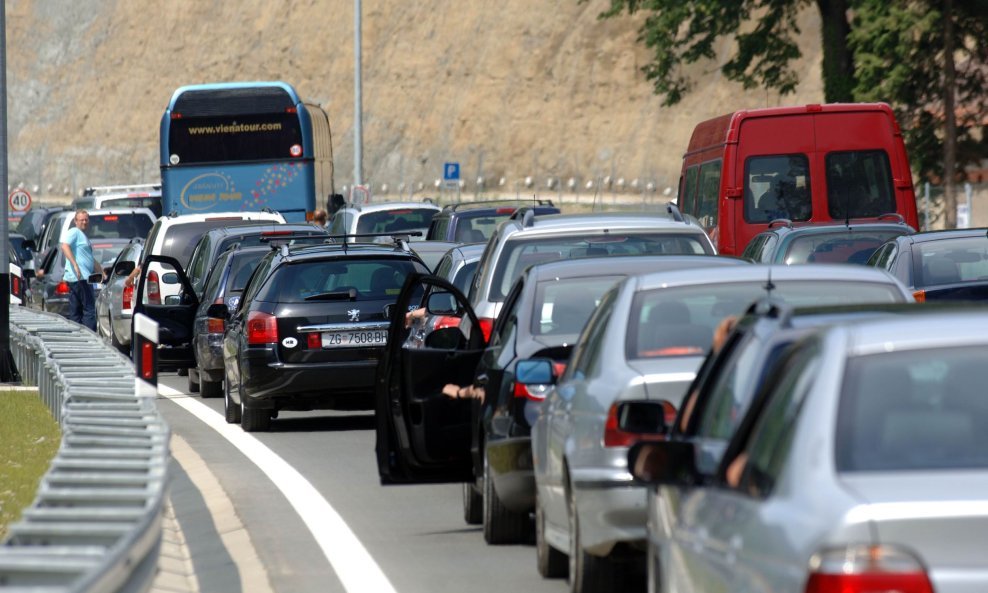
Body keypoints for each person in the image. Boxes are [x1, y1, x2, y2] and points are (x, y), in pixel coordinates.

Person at [61, 210, 102, 330]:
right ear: (75, 221)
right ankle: (90, 337)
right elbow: (64, 246)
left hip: (79, 278)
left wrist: (102, 272)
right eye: (81, 220)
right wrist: (75, 265)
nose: (84, 222)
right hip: (81, 277)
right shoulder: (74, 232)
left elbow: (90, 259)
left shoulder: (83, 237)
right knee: (89, 309)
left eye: (86, 219)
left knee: (76, 310)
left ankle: (76, 334)